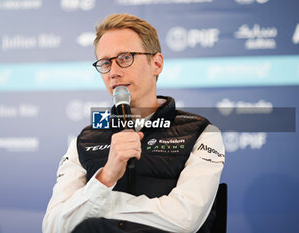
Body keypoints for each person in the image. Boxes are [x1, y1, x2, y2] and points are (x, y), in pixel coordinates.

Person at [42, 13, 225, 233]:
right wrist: (106, 177)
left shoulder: (201, 132)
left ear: (156, 64)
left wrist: (100, 205)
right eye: (105, 63)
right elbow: (53, 226)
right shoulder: (84, 140)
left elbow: (185, 219)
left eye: (125, 57)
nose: (114, 72)